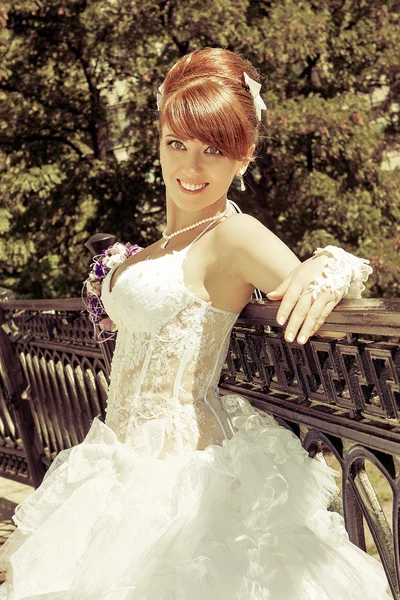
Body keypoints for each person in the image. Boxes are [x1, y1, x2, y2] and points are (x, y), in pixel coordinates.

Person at [0, 48, 390, 600]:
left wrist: (332, 266)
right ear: (157, 140)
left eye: (214, 150)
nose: (192, 166)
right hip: (114, 466)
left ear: (244, 155)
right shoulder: (157, 246)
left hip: (184, 478)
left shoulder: (235, 235)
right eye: (176, 144)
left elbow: (312, 276)